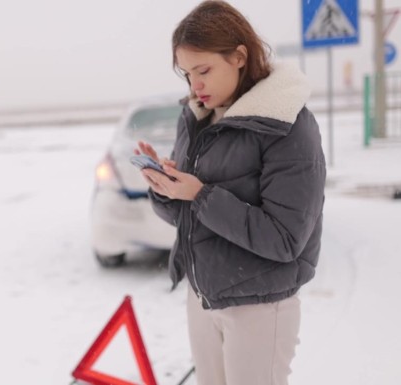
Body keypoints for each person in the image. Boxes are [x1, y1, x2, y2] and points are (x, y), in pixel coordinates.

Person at [134, 1, 326, 384]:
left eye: (203, 70)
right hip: (204, 294)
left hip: (259, 306)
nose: (195, 86)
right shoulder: (198, 118)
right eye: (187, 74)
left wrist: (201, 196)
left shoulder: (288, 125)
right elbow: (186, 216)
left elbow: (285, 239)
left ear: (239, 56)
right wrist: (167, 189)